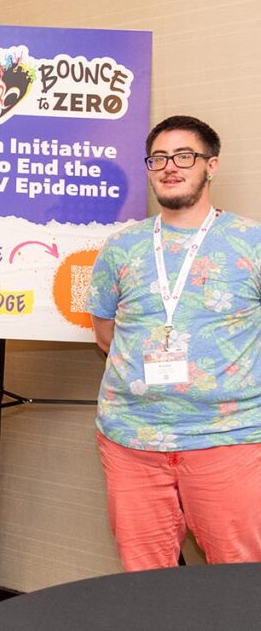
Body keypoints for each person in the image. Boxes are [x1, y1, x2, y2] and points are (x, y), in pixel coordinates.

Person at [86, 115, 261, 570]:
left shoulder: (251, 243)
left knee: (241, 576)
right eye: (159, 158)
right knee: (145, 579)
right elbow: (105, 334)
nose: (170, 166)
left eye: (185, 156)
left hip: (228, 441)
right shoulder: (121, 248)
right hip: (131, 443)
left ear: (211, 165)